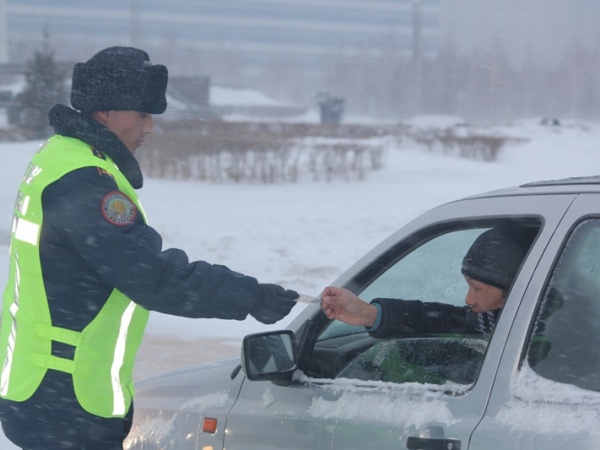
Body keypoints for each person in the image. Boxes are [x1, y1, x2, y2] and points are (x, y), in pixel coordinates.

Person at [0, 46, 298, 450]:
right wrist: (250, 296)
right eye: (142, 113)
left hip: (45, 390)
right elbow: (152, 276)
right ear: (106, 113)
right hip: (65, 397)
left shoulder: (61, 158)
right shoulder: (84, 180)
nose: (150, 127)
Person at [321, 225, 537, 338]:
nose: (469, 299)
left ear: (515, 288)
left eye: (477, 288)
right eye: (468, 285)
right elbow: (445, 320)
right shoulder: (499, 319)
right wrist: (369, 314)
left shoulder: (541, 333)